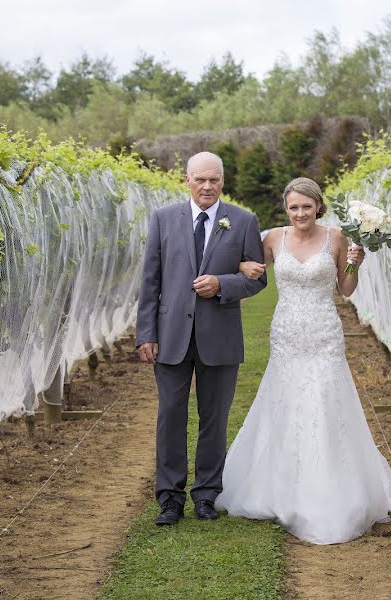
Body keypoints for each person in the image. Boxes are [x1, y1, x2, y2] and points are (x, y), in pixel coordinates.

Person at [214, 177, 391, 544]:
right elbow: (251, 268)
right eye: (293, 207)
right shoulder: (273, 239)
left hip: (323, 333)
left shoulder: (335, 238)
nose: (300, 213)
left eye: (306, 206)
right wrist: (238, 267)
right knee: (284, 401)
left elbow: (345, 291)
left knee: (326, 403)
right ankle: (279, 485)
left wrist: (354, 263)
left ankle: (331, 487)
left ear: (318, 206)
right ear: (286, 209)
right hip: (286, 333)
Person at [136, 152, 267, 526]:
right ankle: (169, 499)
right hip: (171, 336)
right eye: (200, 180)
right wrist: (146, 333)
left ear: (223, 181)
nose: (207, 186)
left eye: (214, 180)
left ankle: (207, 494)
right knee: (170, 416)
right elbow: (150, 281)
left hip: (219, 337)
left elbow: (258, 278)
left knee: (215, 418)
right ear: (187, 181)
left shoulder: (243, 220)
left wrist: (222, 284)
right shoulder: (163, 219)